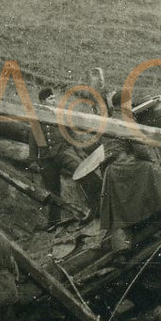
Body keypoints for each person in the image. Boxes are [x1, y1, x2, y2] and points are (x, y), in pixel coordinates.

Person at [32, 87, 100, 224]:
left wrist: (79, 151)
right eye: (50, 99)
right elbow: (33, 138)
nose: (54, 100)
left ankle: (95, 208)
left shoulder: (61, 114)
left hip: (64, 152)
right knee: (52, 190)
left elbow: (72, 134)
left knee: (83, 173)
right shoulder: (37, 117)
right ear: (42, 101)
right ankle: (54, 221)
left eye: (53, 98)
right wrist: (33, 159)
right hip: (46, 158)